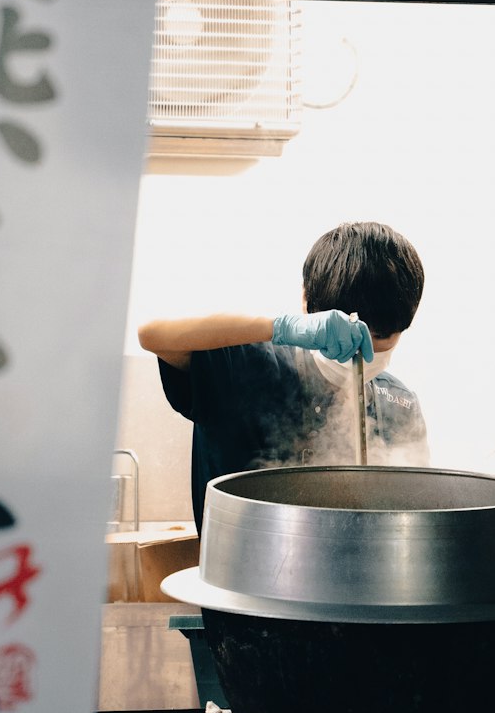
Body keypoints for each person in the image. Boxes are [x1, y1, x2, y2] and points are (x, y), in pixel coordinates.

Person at [137, 221, 429, 532]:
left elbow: (417, 513)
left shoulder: (400, 403)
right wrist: (281, 327)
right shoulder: (246, 365)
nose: (358, 350)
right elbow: (152, 332)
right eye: (350, 333)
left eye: (381, 337)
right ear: (306, 301)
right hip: (238, 576)